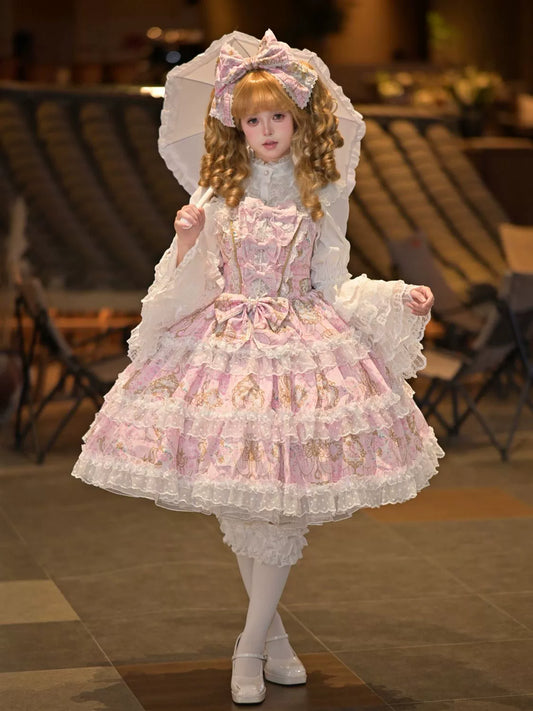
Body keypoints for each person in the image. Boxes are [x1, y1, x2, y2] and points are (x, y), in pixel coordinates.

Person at [72, 30, 443, 705]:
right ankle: (268, 640)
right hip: (227, 348)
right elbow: (188, 281)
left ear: (298, 119)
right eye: (251, 120)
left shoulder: (320, 190)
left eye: (277, 116)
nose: (266, 130)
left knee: (274, 504)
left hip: (300, 347)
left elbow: (332, 282)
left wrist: (396, 296)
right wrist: (187, 239)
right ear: (234, 126)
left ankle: (251, 644)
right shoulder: (218, 192)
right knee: (248, 499)